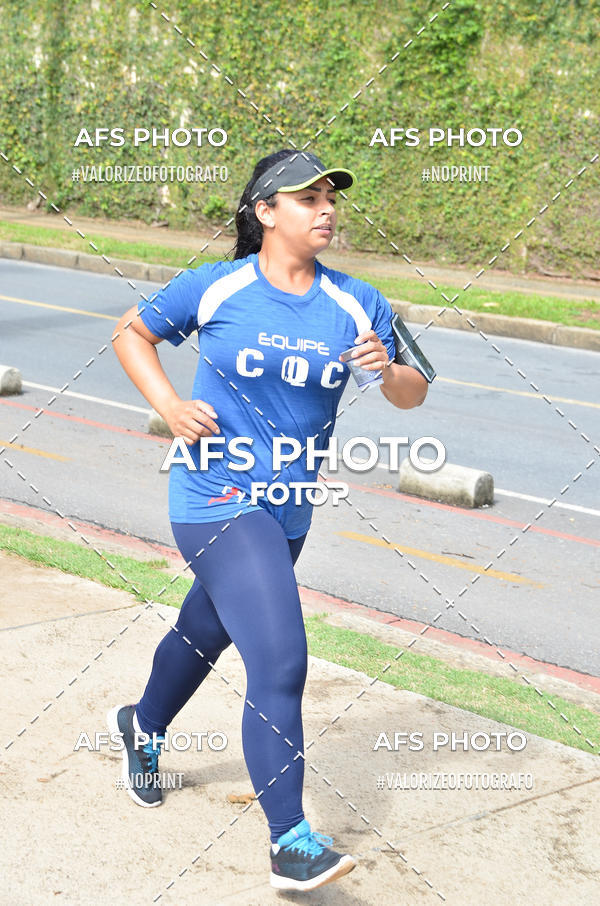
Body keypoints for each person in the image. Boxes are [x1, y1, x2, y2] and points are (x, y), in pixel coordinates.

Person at [107, 148, 428, 892]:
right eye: (308, 198)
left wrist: (387, 370)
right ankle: (291, 840)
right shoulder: (215, 288)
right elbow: (132, 331)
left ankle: (140, 727)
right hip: (215, 497)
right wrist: (167, 405)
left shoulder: (358, 300)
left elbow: (413, 394)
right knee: (281, 658)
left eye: (331, 199)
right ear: (265, 212)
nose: (326, 210)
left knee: (203, 631)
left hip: (288, 508)